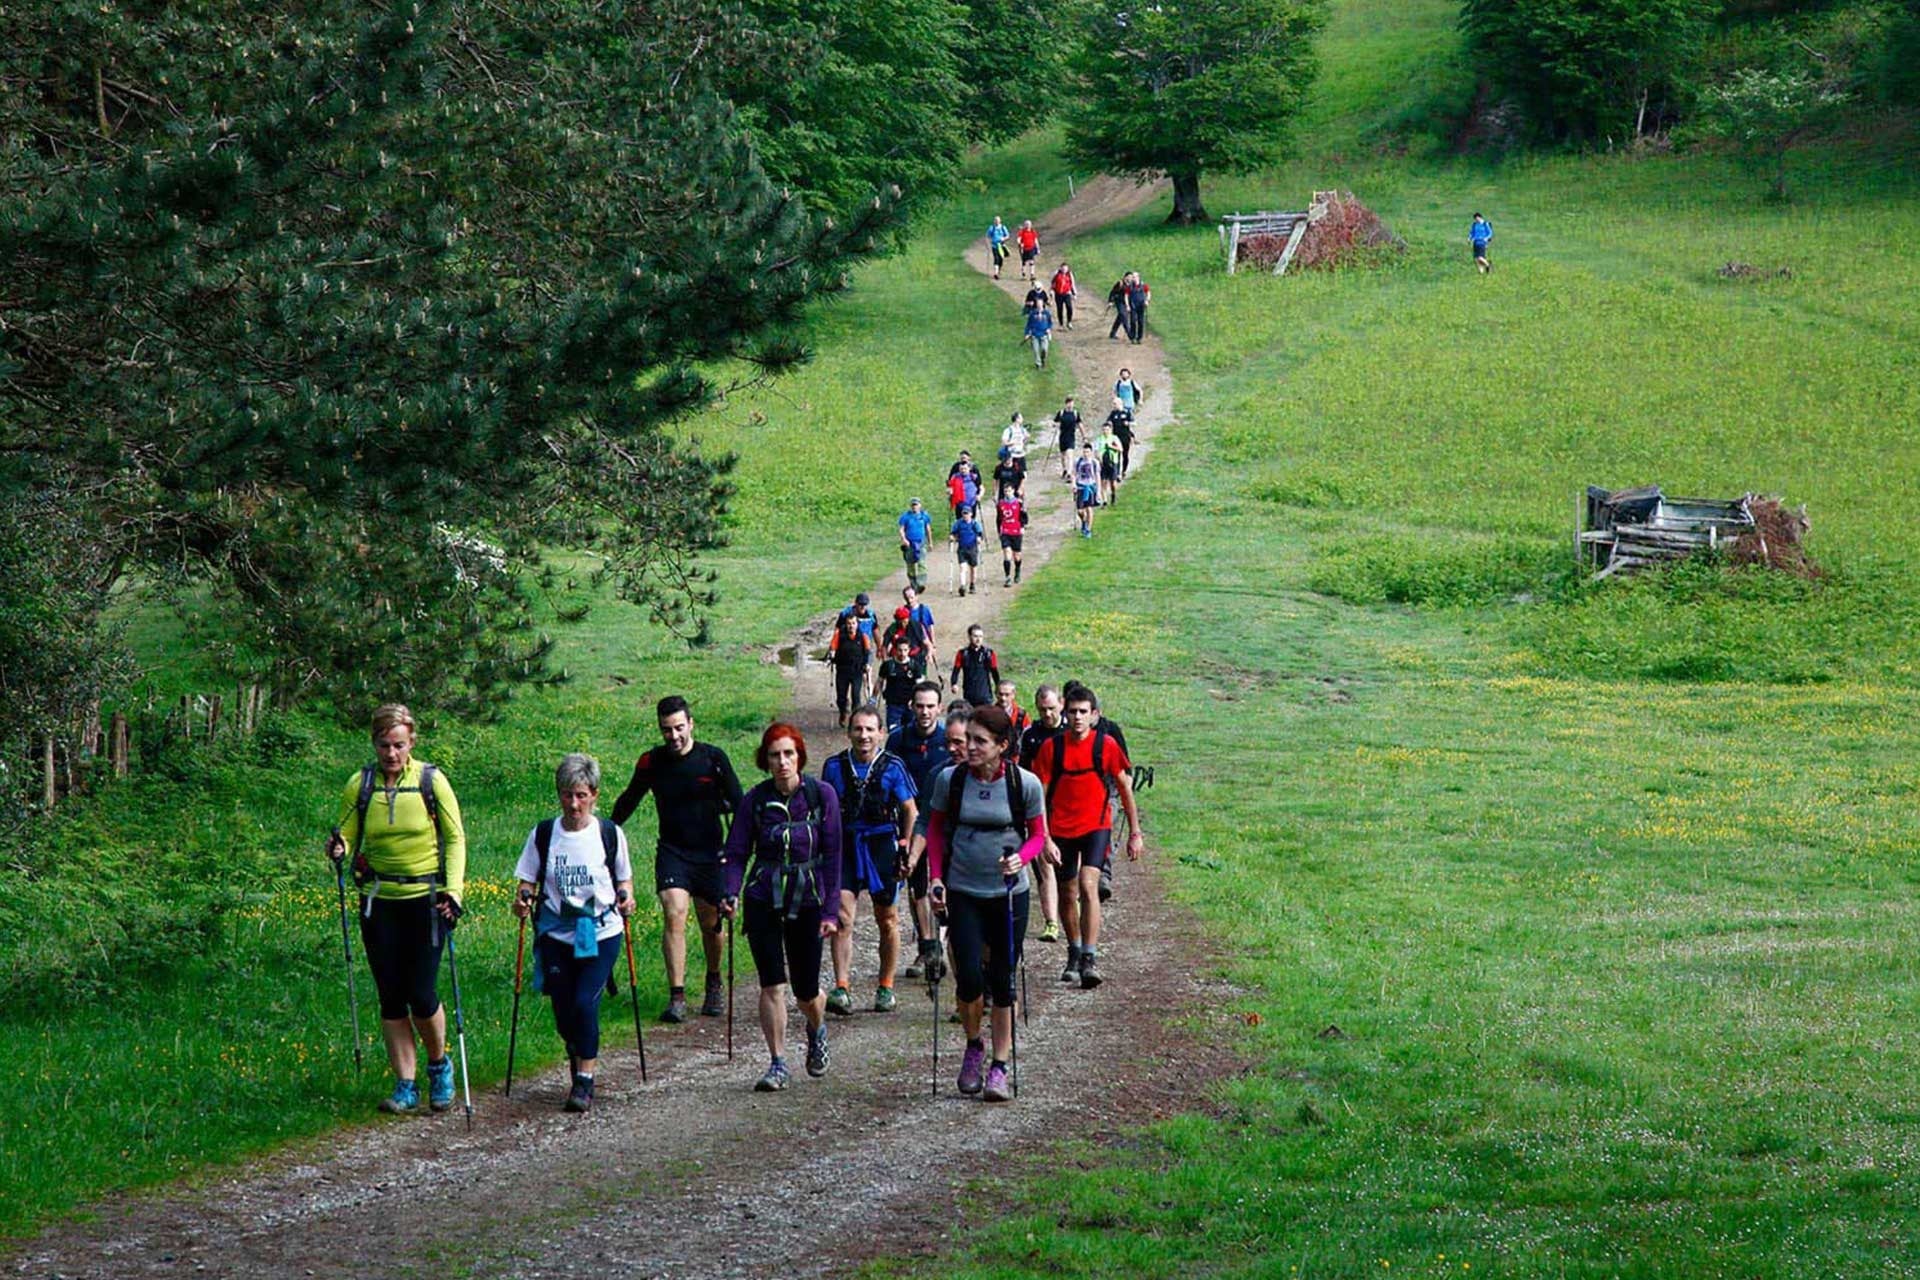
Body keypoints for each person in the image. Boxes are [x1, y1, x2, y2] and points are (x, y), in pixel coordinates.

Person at [327, 703, 467, 1115]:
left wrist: (453, 892)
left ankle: (439, 1064)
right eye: (385, 745)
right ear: (374, 743)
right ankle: (405, 1084)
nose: (391, 753)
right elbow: (349, 833)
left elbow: (455, 839)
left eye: (399, 745)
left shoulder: (431, 781)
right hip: (378, 901)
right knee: (391, 997)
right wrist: (341, 848)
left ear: (412, 743)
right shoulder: (361, 784)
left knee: (421, 993)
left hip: (426, 900)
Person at [925, 706, 1047, 1102]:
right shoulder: (951, 780)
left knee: (1002, 981)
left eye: (980, 741)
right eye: (968, 739)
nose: (970, 747)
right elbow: (937, 830)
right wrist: (936, 877)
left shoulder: (1023, 784)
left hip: (1010, 895)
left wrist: (1021, 858)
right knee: (969, 980)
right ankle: (973, 1044)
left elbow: (1038, 835)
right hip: (963, 891)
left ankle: (999, 1065)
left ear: (1002, 746)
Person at [720, 723, 843, 1091]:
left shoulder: (822, 796)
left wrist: (831, 910)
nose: (782, 762)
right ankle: (777, 1062)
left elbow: (834, 855)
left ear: (799, 756)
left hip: (808, 898)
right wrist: (731, 891)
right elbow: (737, 851)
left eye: (788, 754)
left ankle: (816, 1026)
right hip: (764, 897)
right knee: (771, 982)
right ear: (766, 759)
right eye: (775, 755)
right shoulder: (755, 801)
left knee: (806, 991)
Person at [610, 695, 744, 1024]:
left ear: (691, 724)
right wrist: (604, 833)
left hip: (711, 853)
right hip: (673, 852)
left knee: (711, 925)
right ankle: (678, 995)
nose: (673, 736)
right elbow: (629, 799)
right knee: (675, 913)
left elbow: (740, 805)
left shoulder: (713, 759)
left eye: (679, 728)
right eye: (666, 730)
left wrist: (737, 854)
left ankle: (714, 981)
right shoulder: (651, 762)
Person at [512, 753, 635, 1112]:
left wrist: (627, 898)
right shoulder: (545, 834)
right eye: (567, 795)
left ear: (594, 794)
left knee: (585, 1004)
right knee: (565, 1012)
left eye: (581, 795)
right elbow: (526, 879)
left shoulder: (609, 834)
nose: (574, 803)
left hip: (600, 932)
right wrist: (522, 900)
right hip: (556, 934)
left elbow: (624, 878)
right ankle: (576, 1045)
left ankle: (584, 1081)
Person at [1030, 684, 1145, 990]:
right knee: (1067, 891)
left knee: (1088, 884)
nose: (1077, 717)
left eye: (1083, 712)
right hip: (1061, 829)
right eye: (1072, 712)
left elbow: (1124, 787)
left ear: (1094, 715)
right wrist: (1044, 837)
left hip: (1096, 825)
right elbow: (1037, 794)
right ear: (1065, 714)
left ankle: (1090, 958)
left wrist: (1135, 832)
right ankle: (1074, 951)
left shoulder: (1106, 746)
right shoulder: (1051, 749)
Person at [821, 708, 919, 1016]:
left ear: (880, 733)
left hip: (881, 846)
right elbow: (824, 811)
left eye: (870, 730)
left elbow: (910, 810)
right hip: (846, 846)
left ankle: (886, 986)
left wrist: (904, 847)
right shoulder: (834, 766)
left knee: (887, 919)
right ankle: (841, 986)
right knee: (842, 917)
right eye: (858, 729)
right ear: (849, 732)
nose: (864, 736)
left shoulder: (893, 766)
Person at [888, 681, 950, 981]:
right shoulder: (898, 740)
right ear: (911, 706)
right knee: (916, 885)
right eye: (919, 706)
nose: (924, 712)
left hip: (945, 822)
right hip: (910, 821)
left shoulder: (948, 739)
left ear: (940, 708)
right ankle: (928, 945)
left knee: (944, 883)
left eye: (930, 706)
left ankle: (943, 943)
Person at [1016, 683, 1066, 943]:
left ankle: (1072, 908)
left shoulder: (1073, 730)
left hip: (1069, 807)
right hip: (1039, 806)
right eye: (1042, 709)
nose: (1047, 714)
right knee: (1044, 867)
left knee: (1069, 869)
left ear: (1062, 703)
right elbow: (1023, 772)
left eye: (1052, 708)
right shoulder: (1031, 734)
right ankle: (1051, 922)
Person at [828, 612, 874, 727]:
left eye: (853, 623)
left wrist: (867, 664)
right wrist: (832, 654)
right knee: (841, 698)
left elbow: (868, 652)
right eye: (849, 623)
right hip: (842, 670)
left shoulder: (863, 636)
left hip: (857, 671)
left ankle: (855, 720)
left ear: (857, 624)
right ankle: (843, 711)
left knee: (856, 696)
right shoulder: (839, 635)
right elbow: (833, 647)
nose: (851, 626)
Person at [951, 624, 1001, 708]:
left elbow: (995, 672)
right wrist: (954, 683)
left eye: (980, 637)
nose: (978, 639)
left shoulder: (989, 654)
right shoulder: (962, 654)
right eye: (975, 636)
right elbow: (956, 670)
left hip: (985, 695)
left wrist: (998, 687)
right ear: (969, 637)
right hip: (969, 695)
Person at [877, 635, 920, 731]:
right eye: (900, 650)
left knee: (911, 732)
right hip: (893, 705)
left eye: (905, 650)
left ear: (909, 650)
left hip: (910, 705)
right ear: (895, 650)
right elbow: (879, 681)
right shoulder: (888, 665)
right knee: (894, 733)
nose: (902, 653)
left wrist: (916, 700)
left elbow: (919, 686)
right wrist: (874, 698)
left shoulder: (914, 666)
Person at [898, 497, 934, 592]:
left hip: (921, 542)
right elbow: (901, 529)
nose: (914, 507)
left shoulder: (924, 516)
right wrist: (904, 539)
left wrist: (930, 542)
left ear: (920, 505)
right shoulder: (905, 516)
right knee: (910, 564)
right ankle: (913, 583)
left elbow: (928, 529)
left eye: (916, 505)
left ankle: (921, 583)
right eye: (913, 505)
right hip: (909, 544)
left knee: (921, 563)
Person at [995, 484, 1028, 587]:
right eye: (1005, 491)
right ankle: (1007, 577)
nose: (1007, 493)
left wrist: (1022, 527)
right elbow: (999, 518)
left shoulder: (1018, 503)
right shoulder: (1000, 504)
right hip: (1005, 531)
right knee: (1007, 554)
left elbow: (1024, 517)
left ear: (1013, 491)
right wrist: (999, 530)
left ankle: (1017, 570)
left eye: (1009, 491)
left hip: (1016, 531)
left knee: (1017, 555)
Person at [951, 502, 984, 597]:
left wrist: (979, 538)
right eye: (963, 513)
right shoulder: (958, 523)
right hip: (962, 548)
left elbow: (980, 534)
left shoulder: (974, 524)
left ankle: (972, 584)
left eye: (967, 513)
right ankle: (962, 586)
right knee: (962, 567)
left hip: (972, 548)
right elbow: (953, 533)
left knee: (973, 568)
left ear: (971, 514)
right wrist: (952, 537)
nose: (965, 515)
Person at [901, 585, 937, 672]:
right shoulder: (903, 611)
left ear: (917, 596)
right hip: (908, 647)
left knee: (921, 671)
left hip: (922, 645)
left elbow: (930, 627)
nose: (909, 600)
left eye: (911, 597)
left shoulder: (925, 610)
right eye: (907, 598)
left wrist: (933, 646)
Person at [1071, 443, 1100, 538]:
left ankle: (1088, 529)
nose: (1086, 454)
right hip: (1080, 487)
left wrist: (1098, 490)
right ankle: (1084, 521)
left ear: (1091, 452)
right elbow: (1074, 474)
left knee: (1089, 508)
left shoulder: (1094, 462)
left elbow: (1097, 476)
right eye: (1084, 452)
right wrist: (1073, 484)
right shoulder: (1078, 462)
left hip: (1090, 487)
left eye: (1087, 452)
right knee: (1080, 510)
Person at [1095, 418, 1123, 507]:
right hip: (1103, 462)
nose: (1105, 431)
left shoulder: (1114, 438)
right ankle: (1105, 501)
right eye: (1104, 430)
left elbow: (1120, 449)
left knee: (1113, 483)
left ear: (1110, 430)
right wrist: (1098, 457)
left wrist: (1111, 447)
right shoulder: (1099, 439)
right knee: (1103, 481)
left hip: (1112, 462)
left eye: (1107, 430)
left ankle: (1113, 494)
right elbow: (1096, 450)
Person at [1051, 397, 1081, 479]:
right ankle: (1064, 469)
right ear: (1066, 404)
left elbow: (1079, 424)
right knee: (1062, 456)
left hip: (1071, 436)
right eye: (1069, 403)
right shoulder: (1061, 413)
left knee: (1070, 454)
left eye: (1072, 403)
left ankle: (1069, 472)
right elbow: (1054, 422)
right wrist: (1055, 425)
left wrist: (1083, 435)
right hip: (1062, 436)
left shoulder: (1075, 413)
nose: (1070, 405)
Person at [1001, 412, 1030, 481]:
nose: (1022, 419)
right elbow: (1004, 442)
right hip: (1012, 455)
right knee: (1013, 473)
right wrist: (1012, 443)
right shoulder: (1008, 430)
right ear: (1017, 419)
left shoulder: (1022, 429)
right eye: (1021, 417)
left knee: (1024, 474)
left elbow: (1025, 440)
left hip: (1021, 454)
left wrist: (1025, 439)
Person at [1023, 303, 1053, 369]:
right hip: (1034, 335)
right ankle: (1038, 364)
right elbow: (1028, 325)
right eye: (1038, 306)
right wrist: (1027, 334)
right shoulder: (1032, 314)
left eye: (1040, 305)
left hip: (1044, 335)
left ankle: (1043, 359)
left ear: (1042, 305)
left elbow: (1050, 323)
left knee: (1044, 349)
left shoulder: (1047, 313)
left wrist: (1048, 329)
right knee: (1036, 350)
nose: (1039, 307)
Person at [1125, 272, 1151, 343]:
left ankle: (1139, 338)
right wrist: (1127, 306)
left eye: (1134, 277)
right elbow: (1126, 296)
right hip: (1133, 306)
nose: (1133, 278)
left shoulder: (1144, 285)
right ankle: (1132, 337)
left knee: (1140, 322)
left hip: (1141, 306)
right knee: (1133, 321)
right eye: (1133, 277)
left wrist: (1147, 301)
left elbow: (1148, 293)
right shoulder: (1129, 286)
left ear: (1138, 277)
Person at [1050, 262, 1076, 328]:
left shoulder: (1069, 274)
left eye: (1065, 268)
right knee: (1059, 309)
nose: (1064, 270)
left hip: (1067, 293)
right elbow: (1053, 283)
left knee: (1069, 307)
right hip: (1058, 294)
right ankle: (1061, 324)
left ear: (1067, 269)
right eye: (1063, 268)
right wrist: (1051, 291)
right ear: (1061, 268)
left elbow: (1072, 284)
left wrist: (1074, 294)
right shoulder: (1057, 274)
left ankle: (1069, 322)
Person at [1106, 274, 1129, 340]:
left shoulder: (1130, 285)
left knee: (1119, 318)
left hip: (1125, 303)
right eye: (1128, 277)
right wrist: (1110, 301)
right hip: (1119, 302)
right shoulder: (1120, 283)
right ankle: (1129, 333)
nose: (1129, 278)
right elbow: (1112, 292)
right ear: (1125, 277)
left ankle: (1112, 333)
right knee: (1123, 316)